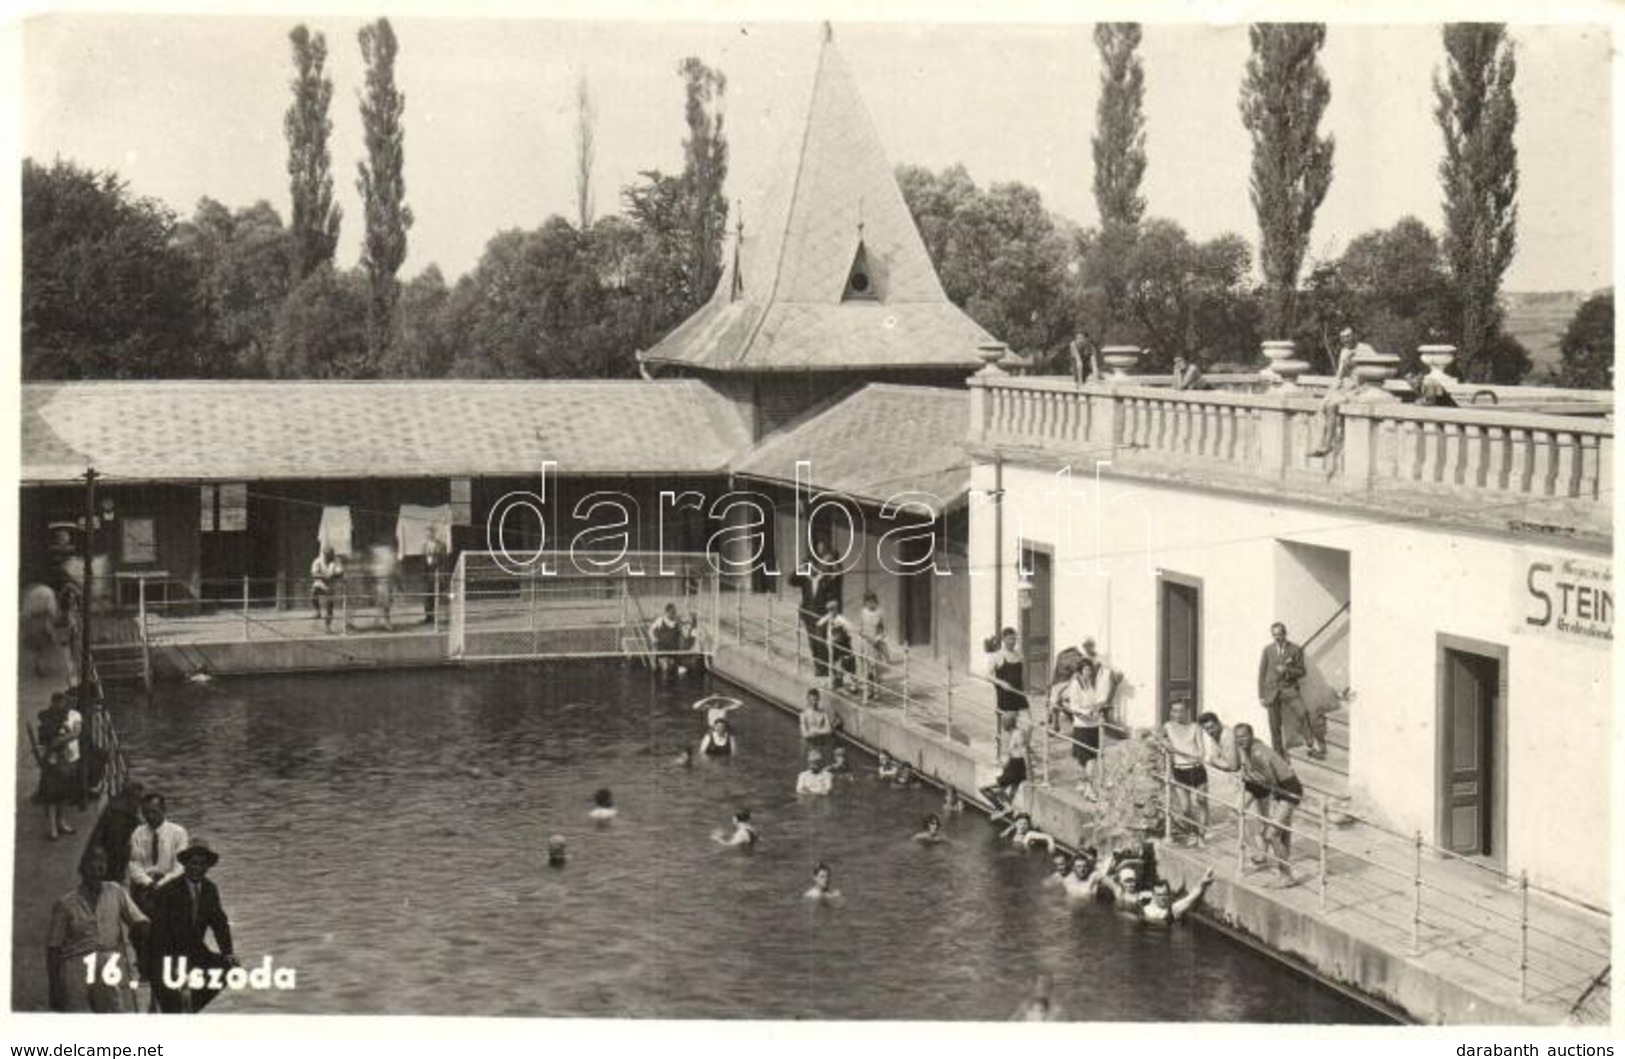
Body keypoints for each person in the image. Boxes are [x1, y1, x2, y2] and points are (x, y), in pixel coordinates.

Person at [46, 846, 148, 1013]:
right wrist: (54, 986)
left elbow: (139, 922)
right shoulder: (65, 904)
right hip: (75, 966)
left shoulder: (116, 891)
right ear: (82, 868)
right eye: (93, 860)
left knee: (114, 1016)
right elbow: (53, 948)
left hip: (108, 963)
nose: (98, 865)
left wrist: (147, 951)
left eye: (102, 861)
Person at [149, 841, 236, 1014]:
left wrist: (228, 953)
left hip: (195, 951)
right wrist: (172, 966)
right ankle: (178, 1006)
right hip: (165, 954)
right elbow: (158, 935)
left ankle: (191, 1006)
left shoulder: (210, 889)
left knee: (230, 970)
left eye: (202, 864)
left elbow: (219, 923)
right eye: (193, 863)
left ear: (207, 867)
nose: (197, 868)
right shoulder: (168, 891)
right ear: (185, 864)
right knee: (171, 1009)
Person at [1234, 723, 1303, 886]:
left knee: (1271, 834)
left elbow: (1271, 782)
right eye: (1237, 737)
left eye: (1244, 736)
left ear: (1251, 735)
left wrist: (1254, 778)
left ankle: (1286, 877)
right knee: (1282, 834)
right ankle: (1281, 870)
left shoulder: (1259, 753)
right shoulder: (1250, 746)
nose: (1240, 740)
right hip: (1282, 788)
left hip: (1288, 790)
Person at [1054, 658, 1121, 800]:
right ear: (1079, 671)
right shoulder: (1075, 685)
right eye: (1086, 670)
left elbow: (1095, 700)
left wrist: (1100, 705)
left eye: (1090, 670)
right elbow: (1074, 707)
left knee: (1088, 759)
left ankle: (1085, 785)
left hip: (1094, 724)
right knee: (1088, 759)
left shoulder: (1089, 684)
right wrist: (1088, 713)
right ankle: (1090, 789)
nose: (1089, 673)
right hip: (1082, 725)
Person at [1258, 622, 1322, 757]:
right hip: (1271, 692)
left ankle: (1310, 742)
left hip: (1289, 690)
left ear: (1285, 634)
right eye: (1274, 635)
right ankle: (1278, 753)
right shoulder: (1267, 650)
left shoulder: (1295, 649)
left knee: (1302, 713)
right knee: (1274, 726)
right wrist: (1261, 695)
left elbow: (1302, 671)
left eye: (1280, 634)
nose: (1277, 637)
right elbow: (1262, 673)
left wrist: (1287, 670)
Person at [788, 540, 843, 681]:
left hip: (822, 616)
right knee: (813, 641)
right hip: (808, 613)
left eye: (829, 563)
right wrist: (801, 567)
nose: (826, 565)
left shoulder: (829, 580)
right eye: (824, 562)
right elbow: (791, 580)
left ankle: (824, 669)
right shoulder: (807, 576)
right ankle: (819, 666)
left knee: (821, 640)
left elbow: (835, 591)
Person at [1308, 327, 1365, 457]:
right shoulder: (1344, 351)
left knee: (1331, 406)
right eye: (1343, 337)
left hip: (1358, 390)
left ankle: (1328, 444)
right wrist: (1332, 390)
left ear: (1355, 335)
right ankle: (1319, 444)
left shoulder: (1364, 349)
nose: (1346, 339)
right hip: (1344, 387)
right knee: (1321, 406)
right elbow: (1339, 375)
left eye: (1348, 336)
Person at [33, 692, 83, 840]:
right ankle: (53, 827)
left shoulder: (74, 715)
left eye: (64, 702)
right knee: (51, 794)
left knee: (64, 793)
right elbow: (42, 738)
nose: (63, 705)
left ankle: (62, 822)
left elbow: (76, 733)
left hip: (70, 758)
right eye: (58, 703)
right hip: (53, 760)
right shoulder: (47, 717)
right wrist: (49, 745)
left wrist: (60, 741)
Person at [126, 793, 189, 909]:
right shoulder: (137, 833)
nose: (150, 817)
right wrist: (149, 883)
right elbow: (134, 864)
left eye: (154, 812)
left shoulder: (178, 832)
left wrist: (160, 884)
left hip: (170, 883)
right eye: (146, 813)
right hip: (145, 884)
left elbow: (180, 867)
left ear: (164, 811)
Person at [1159, 700, 1209, 844]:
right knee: (1186, 807)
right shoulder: (1167, 726)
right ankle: (1192, 832)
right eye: (1174, 711)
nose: (1177, 714)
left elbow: (1201, 753)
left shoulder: (1195, 727)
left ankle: (1201, 835)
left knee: (1201, 801)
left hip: (1197, 768)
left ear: (1187, 711)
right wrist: (1164, 745)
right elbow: (1161, 741)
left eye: (1181, 710)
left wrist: (1178, 751)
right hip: (1180, 771)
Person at [86, 780, 147, 885]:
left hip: (102, 855)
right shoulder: (119, 816)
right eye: (139, 800)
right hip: (107, 859)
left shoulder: (117, 805)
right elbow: (116, 845)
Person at [980, 711, 1032, 810]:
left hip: (1016, 768)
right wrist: (1005, 764)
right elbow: (1012, 753)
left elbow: (1025, 752)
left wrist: (1028, 771)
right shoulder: (1013, 734)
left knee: (984, 789)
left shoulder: (1018, 734)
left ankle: (1004, 808)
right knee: (999, 790)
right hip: (1012, 767)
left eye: (1004, 723)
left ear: (1008, 723)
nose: (1003, 726)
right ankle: (1005, 808)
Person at [1140, 868, 1217, 924]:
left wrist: (1201, 882)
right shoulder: (1154, 910)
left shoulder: (1147, 900)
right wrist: (1201, 883)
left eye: (1165, 894)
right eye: (1159, 895)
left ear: (1169, 894)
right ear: (1153, 895)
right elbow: (1188, 899)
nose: (1163, 898)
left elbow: (1188, 898)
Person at [985, 628, 1027, 717]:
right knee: (1011, 726)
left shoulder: (1019, 654)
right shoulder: (997, 656)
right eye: (1009, 639)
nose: (1012, 642)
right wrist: (1001, 683)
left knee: (1030, 725)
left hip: (1019, 692)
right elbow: (987, 676)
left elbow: (1022, 674)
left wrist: (1024, 688)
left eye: (1014, 639)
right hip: (1006, 695)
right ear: (1003, 639)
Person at [854, 591, 888, 700]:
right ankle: (868, 690)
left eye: (873, 601)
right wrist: (867, 637)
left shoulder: (879, 613)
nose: (871, 604)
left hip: (875, 644)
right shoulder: (863, 612)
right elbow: (859, 629)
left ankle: (876, 691)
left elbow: (882, 629)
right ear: (865, 602)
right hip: (865, 643)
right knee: (866, 668)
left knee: (875, 669)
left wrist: (878, 638)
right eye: (868, 601)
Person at [818, 599, 857, 692]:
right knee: (833, 663)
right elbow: (819, 623)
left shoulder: (840, 619)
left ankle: (853, 683)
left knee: (847, 663)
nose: (831, 612)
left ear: (836, 609)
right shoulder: (829, 617)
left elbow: (850, 628)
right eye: (829, 610)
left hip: (842, 644)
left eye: (833, 610)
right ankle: (836, 680)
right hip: (832, 644)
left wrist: (842, 631)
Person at [310, 546, 342, 632]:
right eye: (327, 555)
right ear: (324, 555)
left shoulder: (336, 560)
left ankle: (328, 626)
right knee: (313, 591)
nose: (329, 557)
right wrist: (324, 576)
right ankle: (317, 610)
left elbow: (340, 572)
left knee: (329, 605)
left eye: (331, 555)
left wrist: (333, 575)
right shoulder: (318, 560)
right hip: (320, 583)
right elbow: (313, 574)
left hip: (331, 585)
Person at [421, 525, 448, 625]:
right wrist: (423, 573)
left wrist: (442, 575)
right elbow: (423, 561)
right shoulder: (424, 545)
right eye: (426, 533)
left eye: (430, 533)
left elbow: (444, 561)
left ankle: (441, 618)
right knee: (427, 597)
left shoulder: (441, 545)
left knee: (439, 596)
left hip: (438, 573)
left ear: (434, 533)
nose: (428, 535)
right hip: (428, 574)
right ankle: (428, 617)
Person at [798, 688, 839, 754]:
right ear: (808, 700)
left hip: (820, 745)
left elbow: (829, 730)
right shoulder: (804, 715)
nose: (815, 702)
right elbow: (805, 734)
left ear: (819, 699)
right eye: (813, 700)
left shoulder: (823, 713)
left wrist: (814, 731)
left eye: (816, 700)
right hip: (808, 746)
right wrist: (822, 730)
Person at [650, 603, 684, 676]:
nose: (673, 614)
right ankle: (663, 685)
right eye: (672, 612)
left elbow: (682, 634)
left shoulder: (677, 622)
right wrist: (654, 638)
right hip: (662, 650)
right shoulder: (660, 620)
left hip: (673, 651)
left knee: (671, 669)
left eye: (674, 612)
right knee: (665, 669)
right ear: (667, 612)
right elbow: (650, 630)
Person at [370, 544, 398, 631]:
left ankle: (382, 621)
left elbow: (391, 568)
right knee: (383, 601)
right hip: (381, 581)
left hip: (385, 580)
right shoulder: (381, 553)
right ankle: (383, 621)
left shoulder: (385, 554)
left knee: (384, 601)